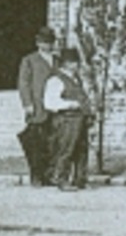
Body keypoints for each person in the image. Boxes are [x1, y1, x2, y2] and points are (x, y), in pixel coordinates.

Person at [43, 47, 93, 190]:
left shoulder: (75, 79)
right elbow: (49, 103)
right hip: (66, 119)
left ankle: (80, 179)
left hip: (79, 119)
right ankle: (61, 179)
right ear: (66, 64)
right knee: (66, 149)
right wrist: (70, 104)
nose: (77, 65)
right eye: (74, 62)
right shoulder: (56, 80)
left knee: (81, 149)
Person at [16, 26, 57, 186]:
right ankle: (36, 176)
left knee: (52, 143)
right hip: (37, 108)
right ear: (38, 43)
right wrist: (27, 104)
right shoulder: (29, 60)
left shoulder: (57, 60)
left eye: (50, 42)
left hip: (54, 108)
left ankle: (49, 175)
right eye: (45, 42)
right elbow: (24, 83)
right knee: (35, 144)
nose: (48, 45)